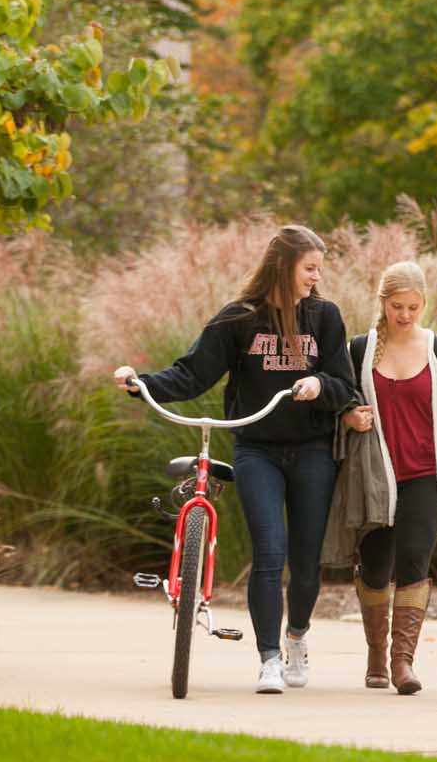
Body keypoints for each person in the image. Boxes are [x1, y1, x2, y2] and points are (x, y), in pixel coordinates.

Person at [113, 224, 356, 694]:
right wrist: (138, 384)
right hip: (256, 449)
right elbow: (190, 374)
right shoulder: (239, 319)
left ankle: (297, 637)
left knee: (305, 563)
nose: (315, 278)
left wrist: (320, 385)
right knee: (269, 553)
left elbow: (345, 384)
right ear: (284, 266)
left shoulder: (324, 317)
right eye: (309, 268)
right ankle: (268, 659)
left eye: (319, 270)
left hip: (312, 450)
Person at [326, 260, 437, 695]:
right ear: (383, 303)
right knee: (375, 569)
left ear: (424, 303)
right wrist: (350, 416)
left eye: (413, 307)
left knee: (414, 561)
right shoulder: (358, 349)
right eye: (397, 307)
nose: (405, 315)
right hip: (374, 479)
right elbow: (340, 402)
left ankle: (402, 662)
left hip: (426, 475)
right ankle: (376, 652)